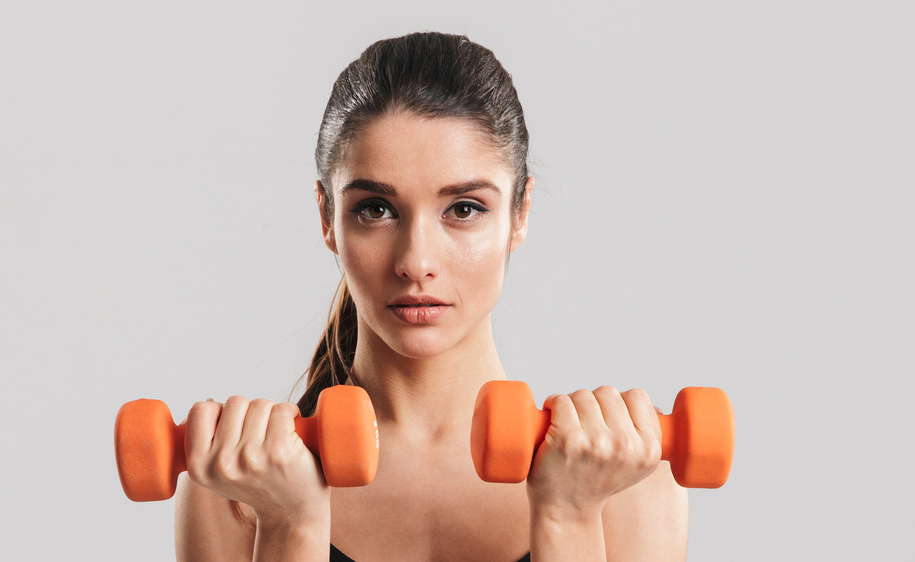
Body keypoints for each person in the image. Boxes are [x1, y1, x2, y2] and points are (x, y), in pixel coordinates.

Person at [173, 31, 688, 561]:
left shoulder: (631, 481)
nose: (416, 261)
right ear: (327, 218)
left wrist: (570, 515)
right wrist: (288, 525)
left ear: (520, 214)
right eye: (376, 209)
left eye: (464, 209)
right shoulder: (230, 485)